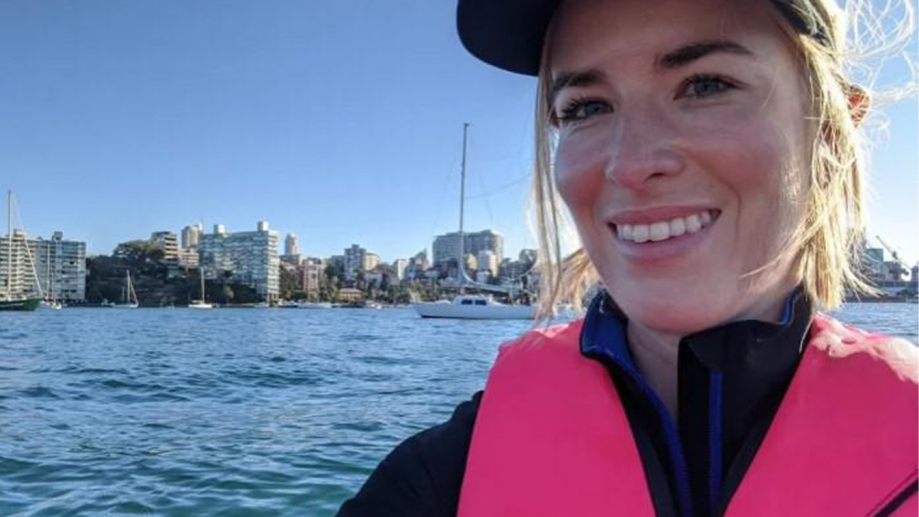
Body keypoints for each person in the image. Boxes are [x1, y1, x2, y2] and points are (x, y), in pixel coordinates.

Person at [339, 0, 919, 515]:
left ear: (832, 133)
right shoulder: (444, 475)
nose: (630, 162)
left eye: (705, 84)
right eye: (586, 107)